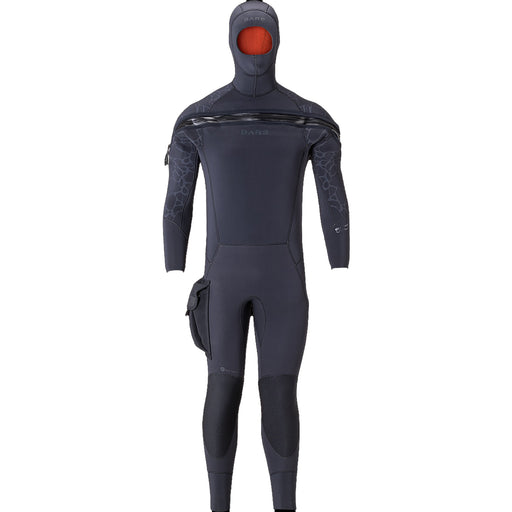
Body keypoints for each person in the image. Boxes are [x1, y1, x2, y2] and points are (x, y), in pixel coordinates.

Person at [163, 1, 350, 510]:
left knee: (279, 393)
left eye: (262, 38)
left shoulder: (309, 119)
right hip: (225, 284)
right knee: (222, 391)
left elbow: (333, 196)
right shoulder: (198, 119)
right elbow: (177, 201)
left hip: (283, 284)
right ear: (230, 42)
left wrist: (341, 259)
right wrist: (172, 263)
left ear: (277, 42)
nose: (255, 48)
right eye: (246, 38)